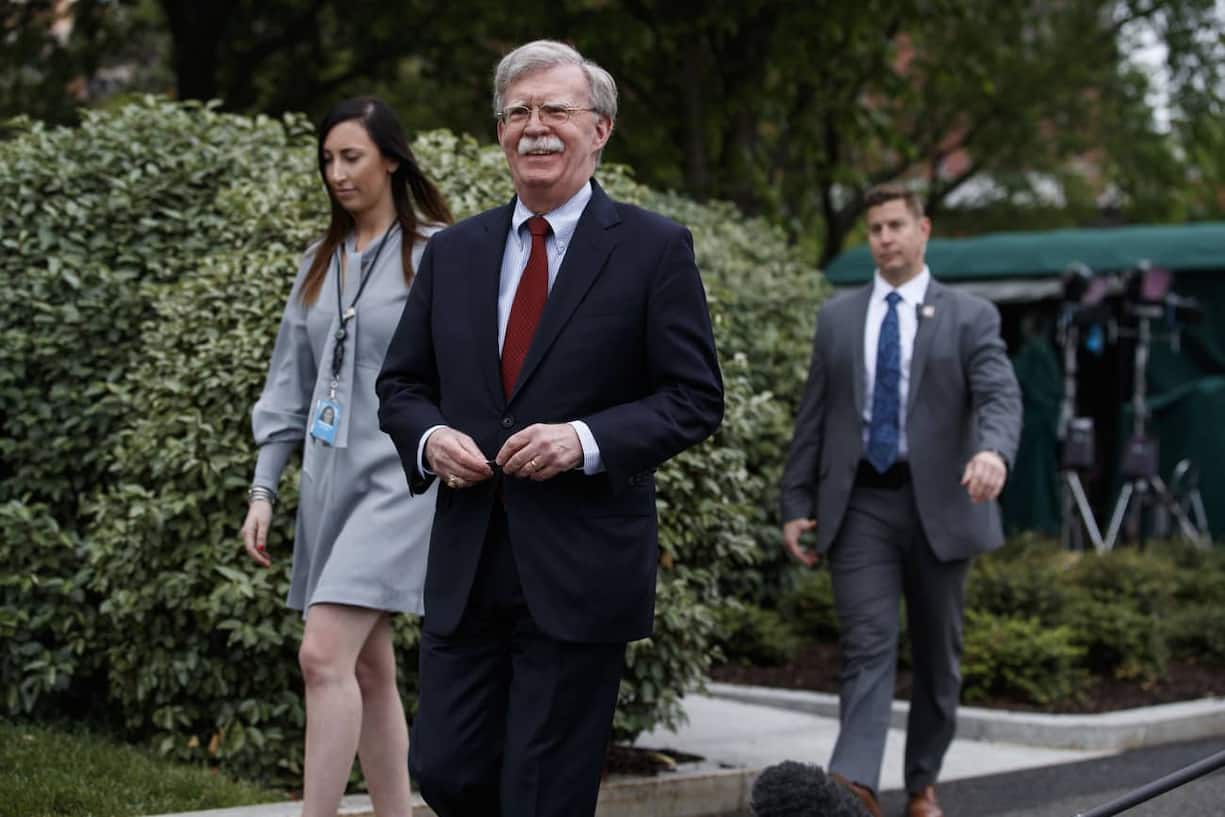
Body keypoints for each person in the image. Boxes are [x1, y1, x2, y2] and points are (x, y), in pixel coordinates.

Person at [376, 39, 724, 817]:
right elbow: (401, 385)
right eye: (517, 112)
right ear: (500, 131)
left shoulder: (653, 248)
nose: (534, 127)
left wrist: (583, 440)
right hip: (468, 560)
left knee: (542, 792)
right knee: (446, 769)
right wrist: (429, 439)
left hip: (580, 566)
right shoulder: (454, 252)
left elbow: (693, 396)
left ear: (599, 129)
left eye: (555, 110)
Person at [779, 184, 1022, 817]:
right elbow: (815, 416)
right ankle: (854, 786)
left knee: (938, 657)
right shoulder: (837, 318)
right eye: (875, 229)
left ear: (923, 230)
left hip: (944, 503)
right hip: (861, 503)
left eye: (895, 225)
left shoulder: (971, 316)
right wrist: (795, 501)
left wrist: (993, 452)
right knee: (867, 642)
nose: (884, 238)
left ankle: (922, 782)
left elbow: (999, 394)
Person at [241, 96, 453, 817]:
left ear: (390, 160)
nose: (336, 172)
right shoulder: (318, 261)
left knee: (321, 654)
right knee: (367, 669)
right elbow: (288, 383)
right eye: (327, 159)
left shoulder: (436, 253)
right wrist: (264, 489)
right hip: (329, 482)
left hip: (400, 484)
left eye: (351, 156)